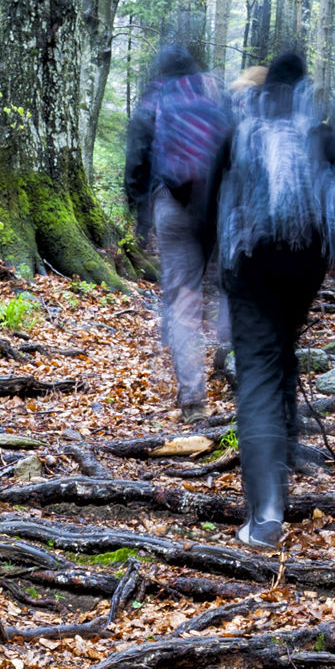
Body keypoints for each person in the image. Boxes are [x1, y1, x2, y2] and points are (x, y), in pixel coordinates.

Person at [213, 45, 335, 546]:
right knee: (281, 355)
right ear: (304, 88)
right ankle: (283, 466)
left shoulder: (241, 133)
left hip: (249, 260)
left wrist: (206, 262)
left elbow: (207, 199)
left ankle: (265, 515)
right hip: (303, 262)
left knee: (258, 368)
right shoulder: (318, 133)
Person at [119, 32, 233, 419]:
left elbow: (137, 160)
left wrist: (140, 211)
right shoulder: (213, 107)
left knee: (184, 299)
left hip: (173, 205)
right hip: (215, 210)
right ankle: (228, 357)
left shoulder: (154, 103)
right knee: (218, 287)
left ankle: (193, 399)